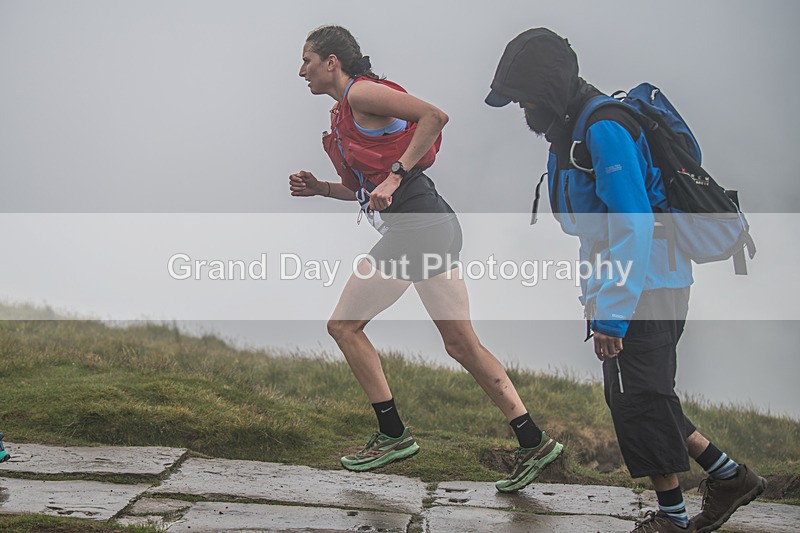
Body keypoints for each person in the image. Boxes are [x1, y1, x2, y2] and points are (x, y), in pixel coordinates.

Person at [485, 28, 766, 532]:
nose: (522, 108)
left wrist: (612, 314)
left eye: (524, 97)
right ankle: (729, 477)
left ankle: (672, 518)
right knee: (640, 394)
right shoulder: (572, 128)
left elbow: (633, 225)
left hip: (647, 285)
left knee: (639, 399)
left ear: (548, 88)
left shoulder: (603, 130)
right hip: (635, 282)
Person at [290, 24, 562, 492]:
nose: (302, 71)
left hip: (418, 225)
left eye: (307, 61)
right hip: (433, 225)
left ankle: (392, 433)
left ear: (331, 62)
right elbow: (362, 189)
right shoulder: (344, 114)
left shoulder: (361, 93)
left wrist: (395, 175)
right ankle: (532, 441)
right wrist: (322, 189)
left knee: (343, 326)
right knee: (461, 344)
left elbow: (435, 116)